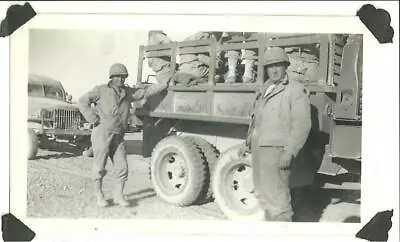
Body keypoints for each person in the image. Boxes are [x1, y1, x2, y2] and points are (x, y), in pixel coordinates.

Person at [78, 63, 170, 207]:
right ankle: (99, 196)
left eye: (123, 77)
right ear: (112, 77)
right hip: (102, 133)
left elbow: (144, 92)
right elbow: (82, 101)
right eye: (118, 77)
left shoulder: (127, 92)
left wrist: (163, 85)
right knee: (99, 167)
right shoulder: (100, 90)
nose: (121, 79)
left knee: (122, 168)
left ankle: (118, 195)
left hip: (118, 135)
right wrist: (92, 118)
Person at [240, 47, 312, 221]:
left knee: (279, 201)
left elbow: (302, 124)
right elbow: (257, 118)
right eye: (270, 66)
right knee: (262, 194)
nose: (274, 69)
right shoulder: (265, 89)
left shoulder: (295, 90)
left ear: (286, 66)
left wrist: (290, 151)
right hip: (259, 149)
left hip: (277, 152)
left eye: (278, 65)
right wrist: (248, 141)